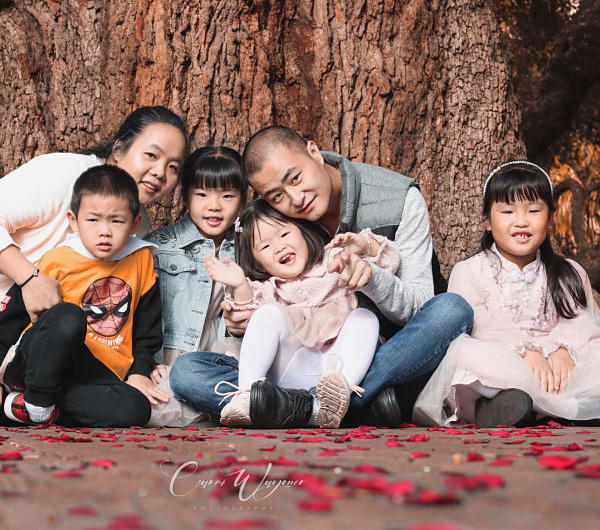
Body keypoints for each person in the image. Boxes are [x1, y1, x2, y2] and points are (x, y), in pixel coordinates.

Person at [170, 126, 473, 427]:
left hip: (380, 357)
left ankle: (300, 406)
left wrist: (371, 278)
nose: (295, 198)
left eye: (296, 178)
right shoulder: (275, 216)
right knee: (187, 372)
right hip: (294, 363)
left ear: (314, 153)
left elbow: (418, 308)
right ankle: (334, 407)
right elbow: (256, 309)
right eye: (277, 195)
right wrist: (240, 321)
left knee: (451, 310)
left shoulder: (398, 199)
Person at [413, 161, 600, 427]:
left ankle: (540, 406)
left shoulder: (568, 271)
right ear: (488, 221)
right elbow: (477, 326)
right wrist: (525, 351)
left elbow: (582, 321)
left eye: (534, 210)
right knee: (468, 354)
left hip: (557, 364)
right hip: (503, 356)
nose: (521, 221)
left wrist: (562, 350)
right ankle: (510, 405)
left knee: (595, 351)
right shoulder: (470, 270)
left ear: (549, 218)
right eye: (508, 211)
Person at [201, 198, 399, 429]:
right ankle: (247, 395)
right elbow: (247, 318)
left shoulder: (334, 260)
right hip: (291, 371)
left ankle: (339, 396)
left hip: (339, 366)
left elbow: (390, 261)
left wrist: (365, 246)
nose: (279, 247)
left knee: (365, 318)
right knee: (265, 315)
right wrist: (241, 286)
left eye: (284, 234)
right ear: (258, 263)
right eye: (265, 247)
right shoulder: (270, 289)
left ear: (303, 231)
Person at [1, 165, 164, 427]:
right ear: (73, 220)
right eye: (93, 219)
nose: (105, 231)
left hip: (95, 375)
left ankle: (22, 408)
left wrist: (139, 373)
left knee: (136, 409)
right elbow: (12, 317)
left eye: (117, 221)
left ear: (134, 224)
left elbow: (147, 333)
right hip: (39, 362)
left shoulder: (141, 259)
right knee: (68, 317)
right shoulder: (58, 260)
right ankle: (38, 400)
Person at [0, 106, 188, 325]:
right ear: (118, 150)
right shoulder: (62, 174)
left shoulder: (138, 223)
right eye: (151, 155)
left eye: (173, 167)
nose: (159, 172)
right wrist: (29, 279)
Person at [147, 146, 246, 427]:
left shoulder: (248, 250)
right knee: (153, 408)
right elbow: (144, 313)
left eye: (227, 196)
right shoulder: (162, 247)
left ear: (242, 199)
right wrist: (148, 363)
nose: (214, 206)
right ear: (186, 195)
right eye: (201, 194)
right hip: (168, 358)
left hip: (221, 359)